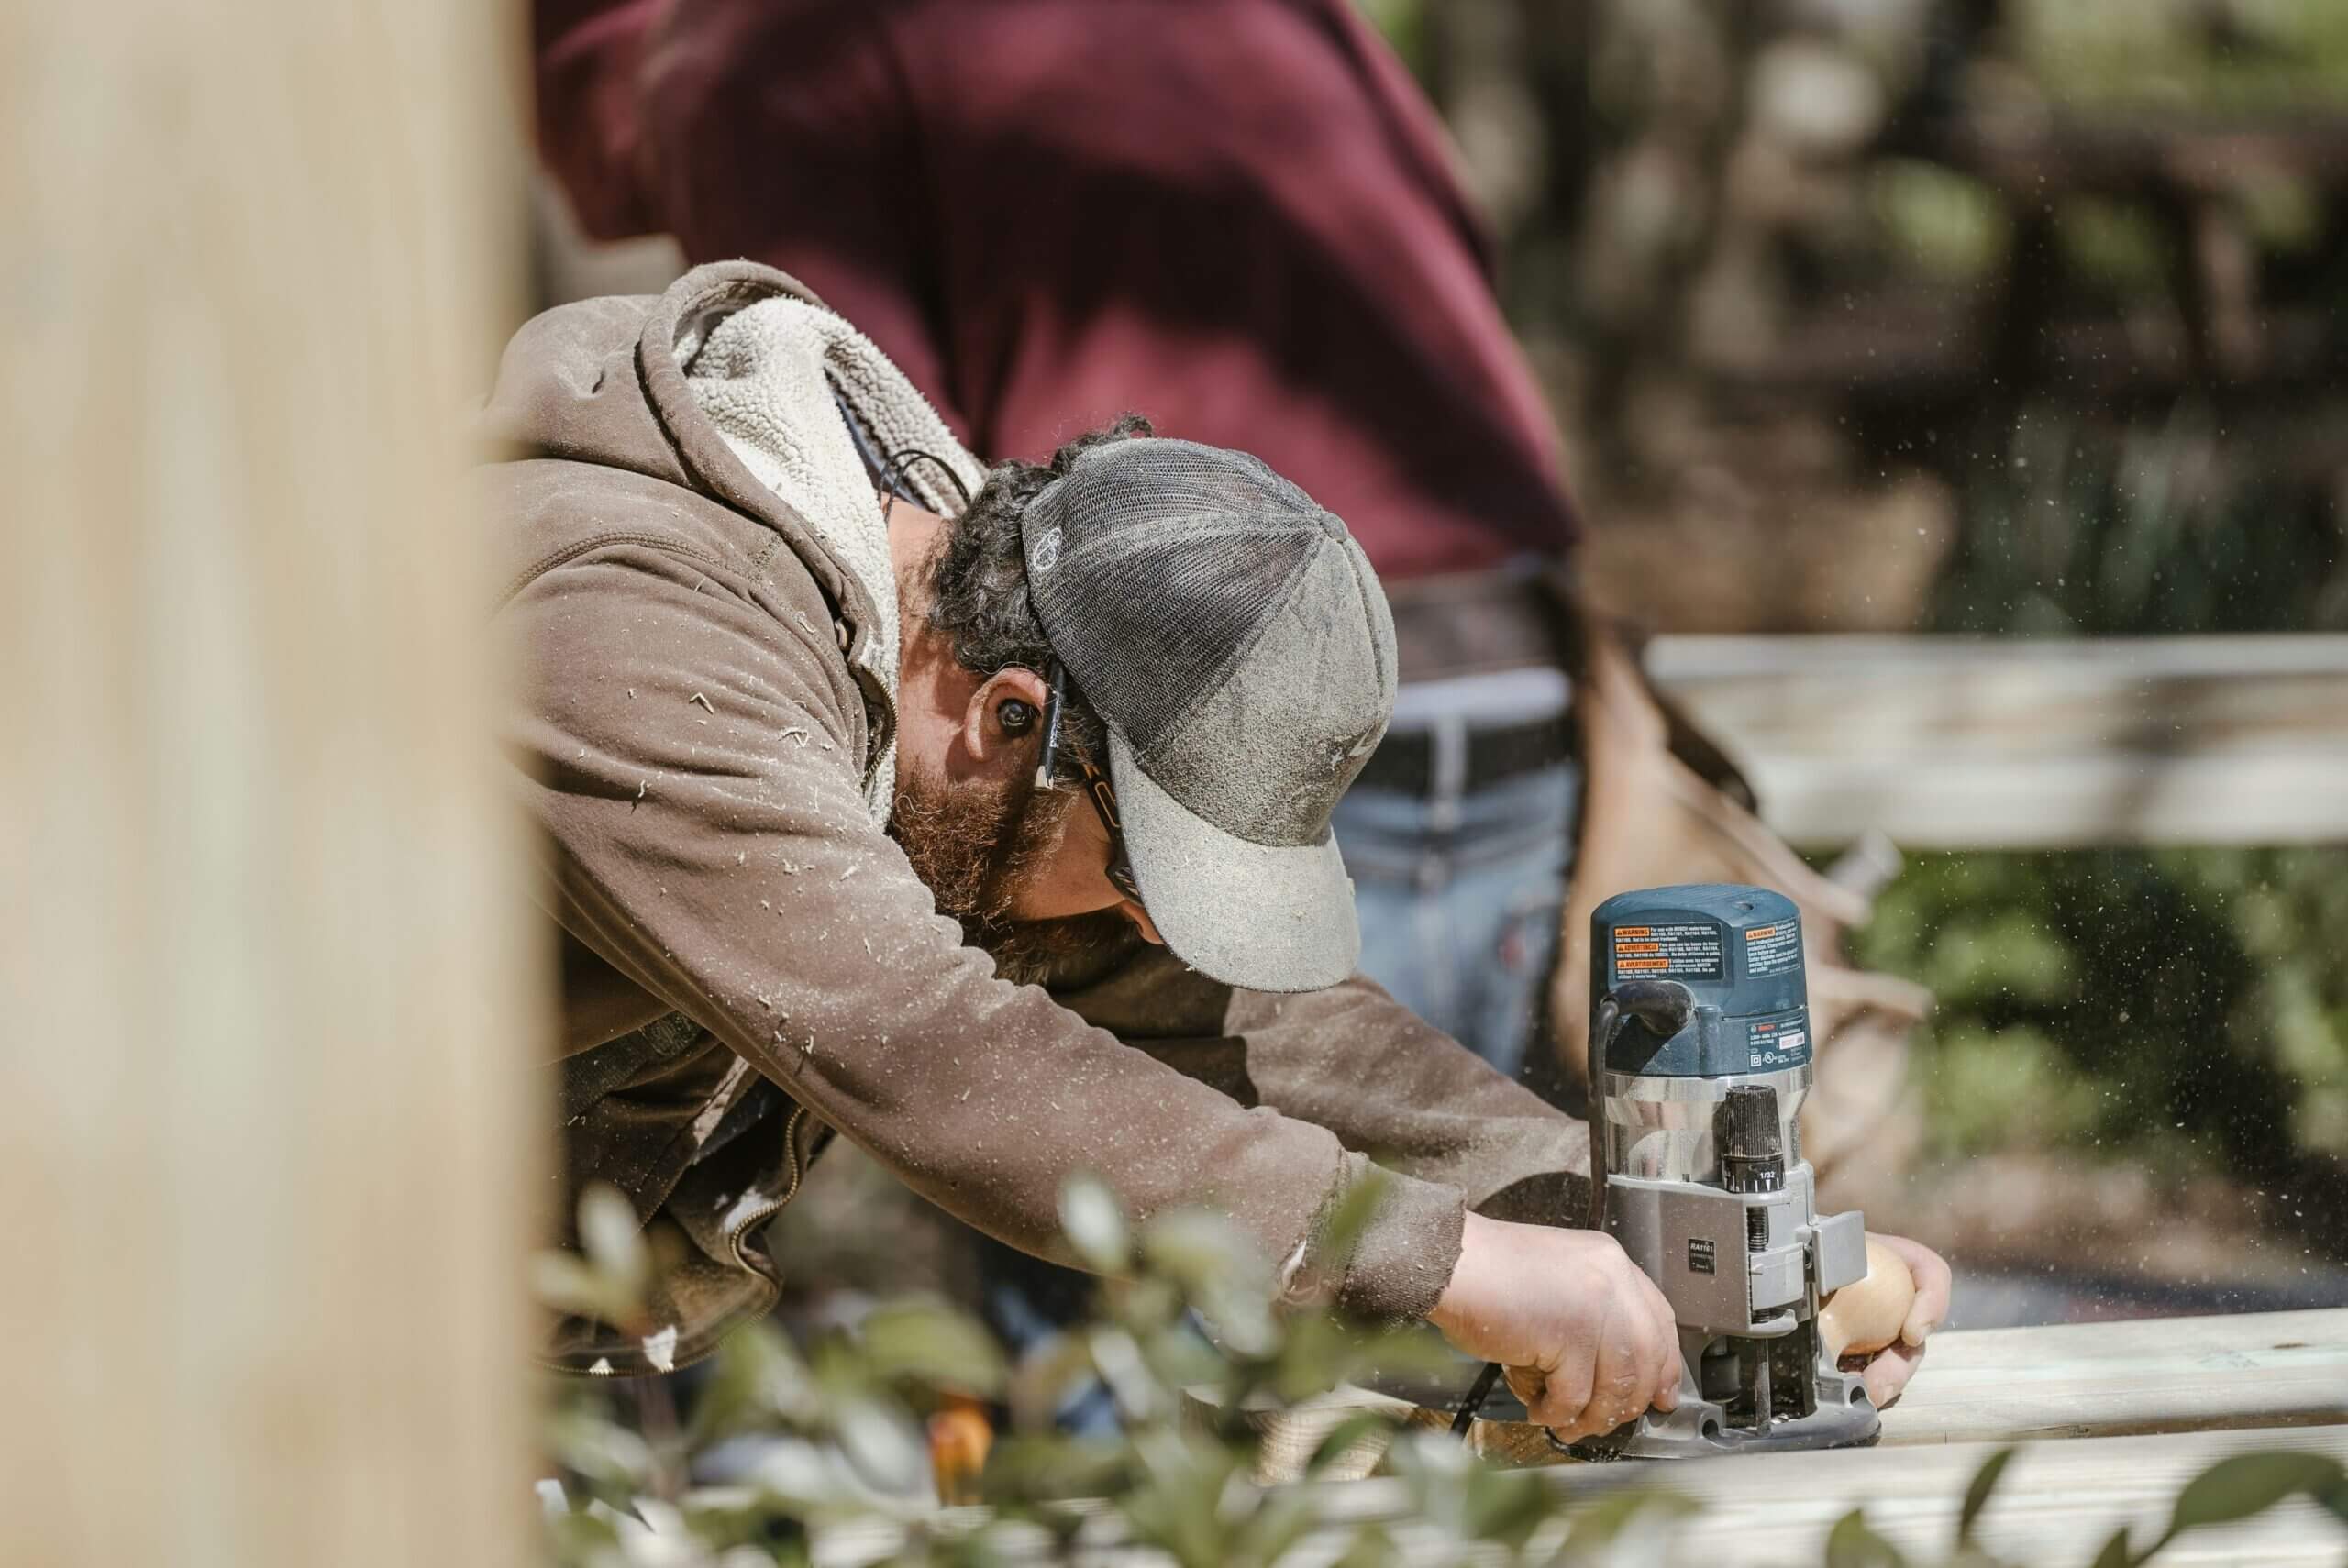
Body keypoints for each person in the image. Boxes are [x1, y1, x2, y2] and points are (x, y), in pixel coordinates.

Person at [487, 259, 1949, 1434]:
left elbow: (1244, 1025)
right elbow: (922, 1042)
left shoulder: (972, 703)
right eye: (1142, 875)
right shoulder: (633, 633)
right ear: (1011, 716)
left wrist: (1669, 1244)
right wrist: (1455, 1265)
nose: (1146, 932)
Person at [532, 0, 1583, 1077]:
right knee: (1489, 1210)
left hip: (1147, 701)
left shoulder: (749, 51)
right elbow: (1455, 242)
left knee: (1095, 1138)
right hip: (1509, 652)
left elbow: (879, 498)